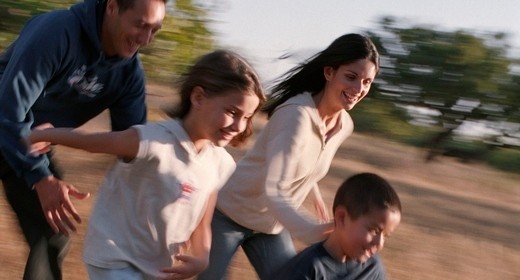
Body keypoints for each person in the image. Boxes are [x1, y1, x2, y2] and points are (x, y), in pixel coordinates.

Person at [27, 50, 266, 279]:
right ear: (198, 98)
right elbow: (93, 142)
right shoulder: (154, 140)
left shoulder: (221, 163)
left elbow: (202, 219)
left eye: (246, 117)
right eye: (232, 112)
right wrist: (47, 134)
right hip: (114, 256)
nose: (238, 126)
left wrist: (202, 257)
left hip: (157, 267)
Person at [0, 0, 167, 278]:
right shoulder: (58, 31)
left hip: (29, 145)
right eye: (140, 25)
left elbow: (134, 151)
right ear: (113, 7)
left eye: (155, 30)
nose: (146, 39)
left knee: (53, 231)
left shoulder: (128, 76)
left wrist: (166, 214)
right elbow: (8, 111)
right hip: (8, 126)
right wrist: (41, 178)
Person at [198, 33, 380, 280]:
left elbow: (307, 158)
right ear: (329, 72)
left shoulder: (344, 125)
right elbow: (275, 189)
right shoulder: (295, 116)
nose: (358, 89)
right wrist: (312, 231)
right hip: (229, 215)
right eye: (351, 77)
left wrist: (313, 192)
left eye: (367, 82)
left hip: (271, 226)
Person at [271, 172, 402, 280]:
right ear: (341, 217)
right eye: (374, 230)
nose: (379, 243)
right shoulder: (307, 269)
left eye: (385, 236)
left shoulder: (373, 269)